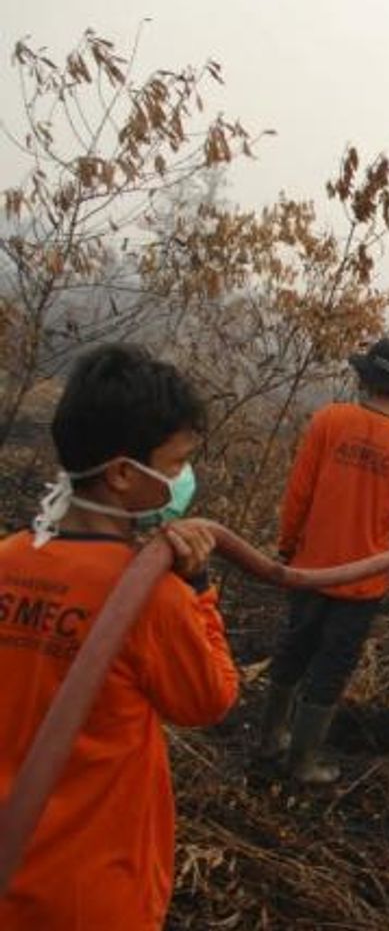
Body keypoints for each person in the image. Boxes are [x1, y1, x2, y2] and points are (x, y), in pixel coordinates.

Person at [0, 344, 238, 929]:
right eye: (177, 464)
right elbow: (210, 699)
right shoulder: (151, 597)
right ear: (124, 474)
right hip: (92, 895)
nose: (184, 480)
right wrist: (200, 587)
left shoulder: (6, 560)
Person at [257, 337, 389, 784]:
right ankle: (302, 763)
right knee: (331, 669)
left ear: (363, 378)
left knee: (293, 650)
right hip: (362, 586)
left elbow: (299, 491)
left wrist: (285, 546)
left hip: (310, 568)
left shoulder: (329, 421)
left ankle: (269, 741)